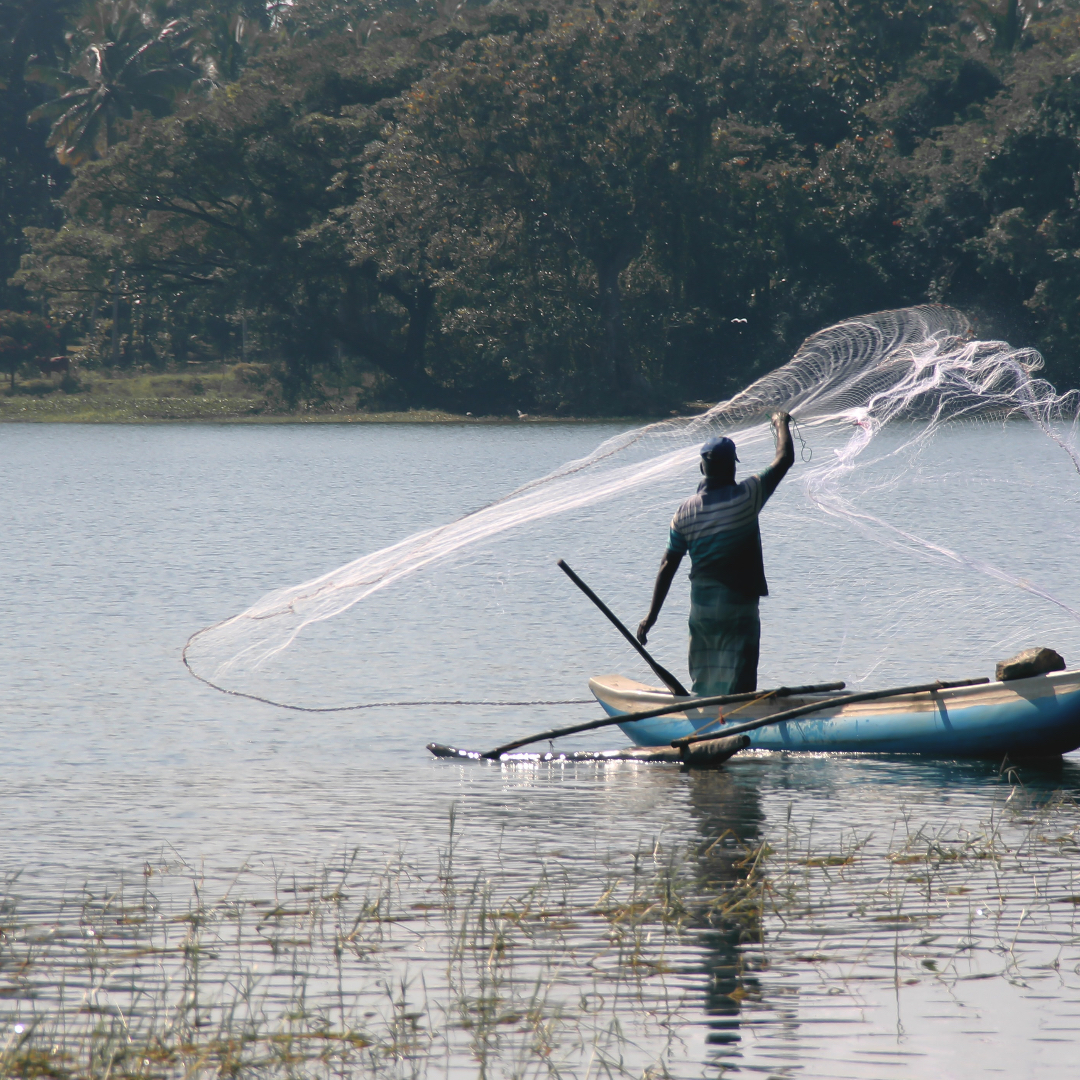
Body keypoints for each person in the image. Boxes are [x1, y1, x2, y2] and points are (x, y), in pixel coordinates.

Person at [636, 412, 794, 697]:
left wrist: (651, 616)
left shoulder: (684, 512)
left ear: (702, 468)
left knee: (705, 677)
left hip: (703, 610)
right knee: (741, 677)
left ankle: (705, 721)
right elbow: (784, 459)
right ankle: (741, 724)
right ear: (733, 468)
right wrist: (780, 422)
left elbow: (667, 565)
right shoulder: (747, 497)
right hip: (739, 610)